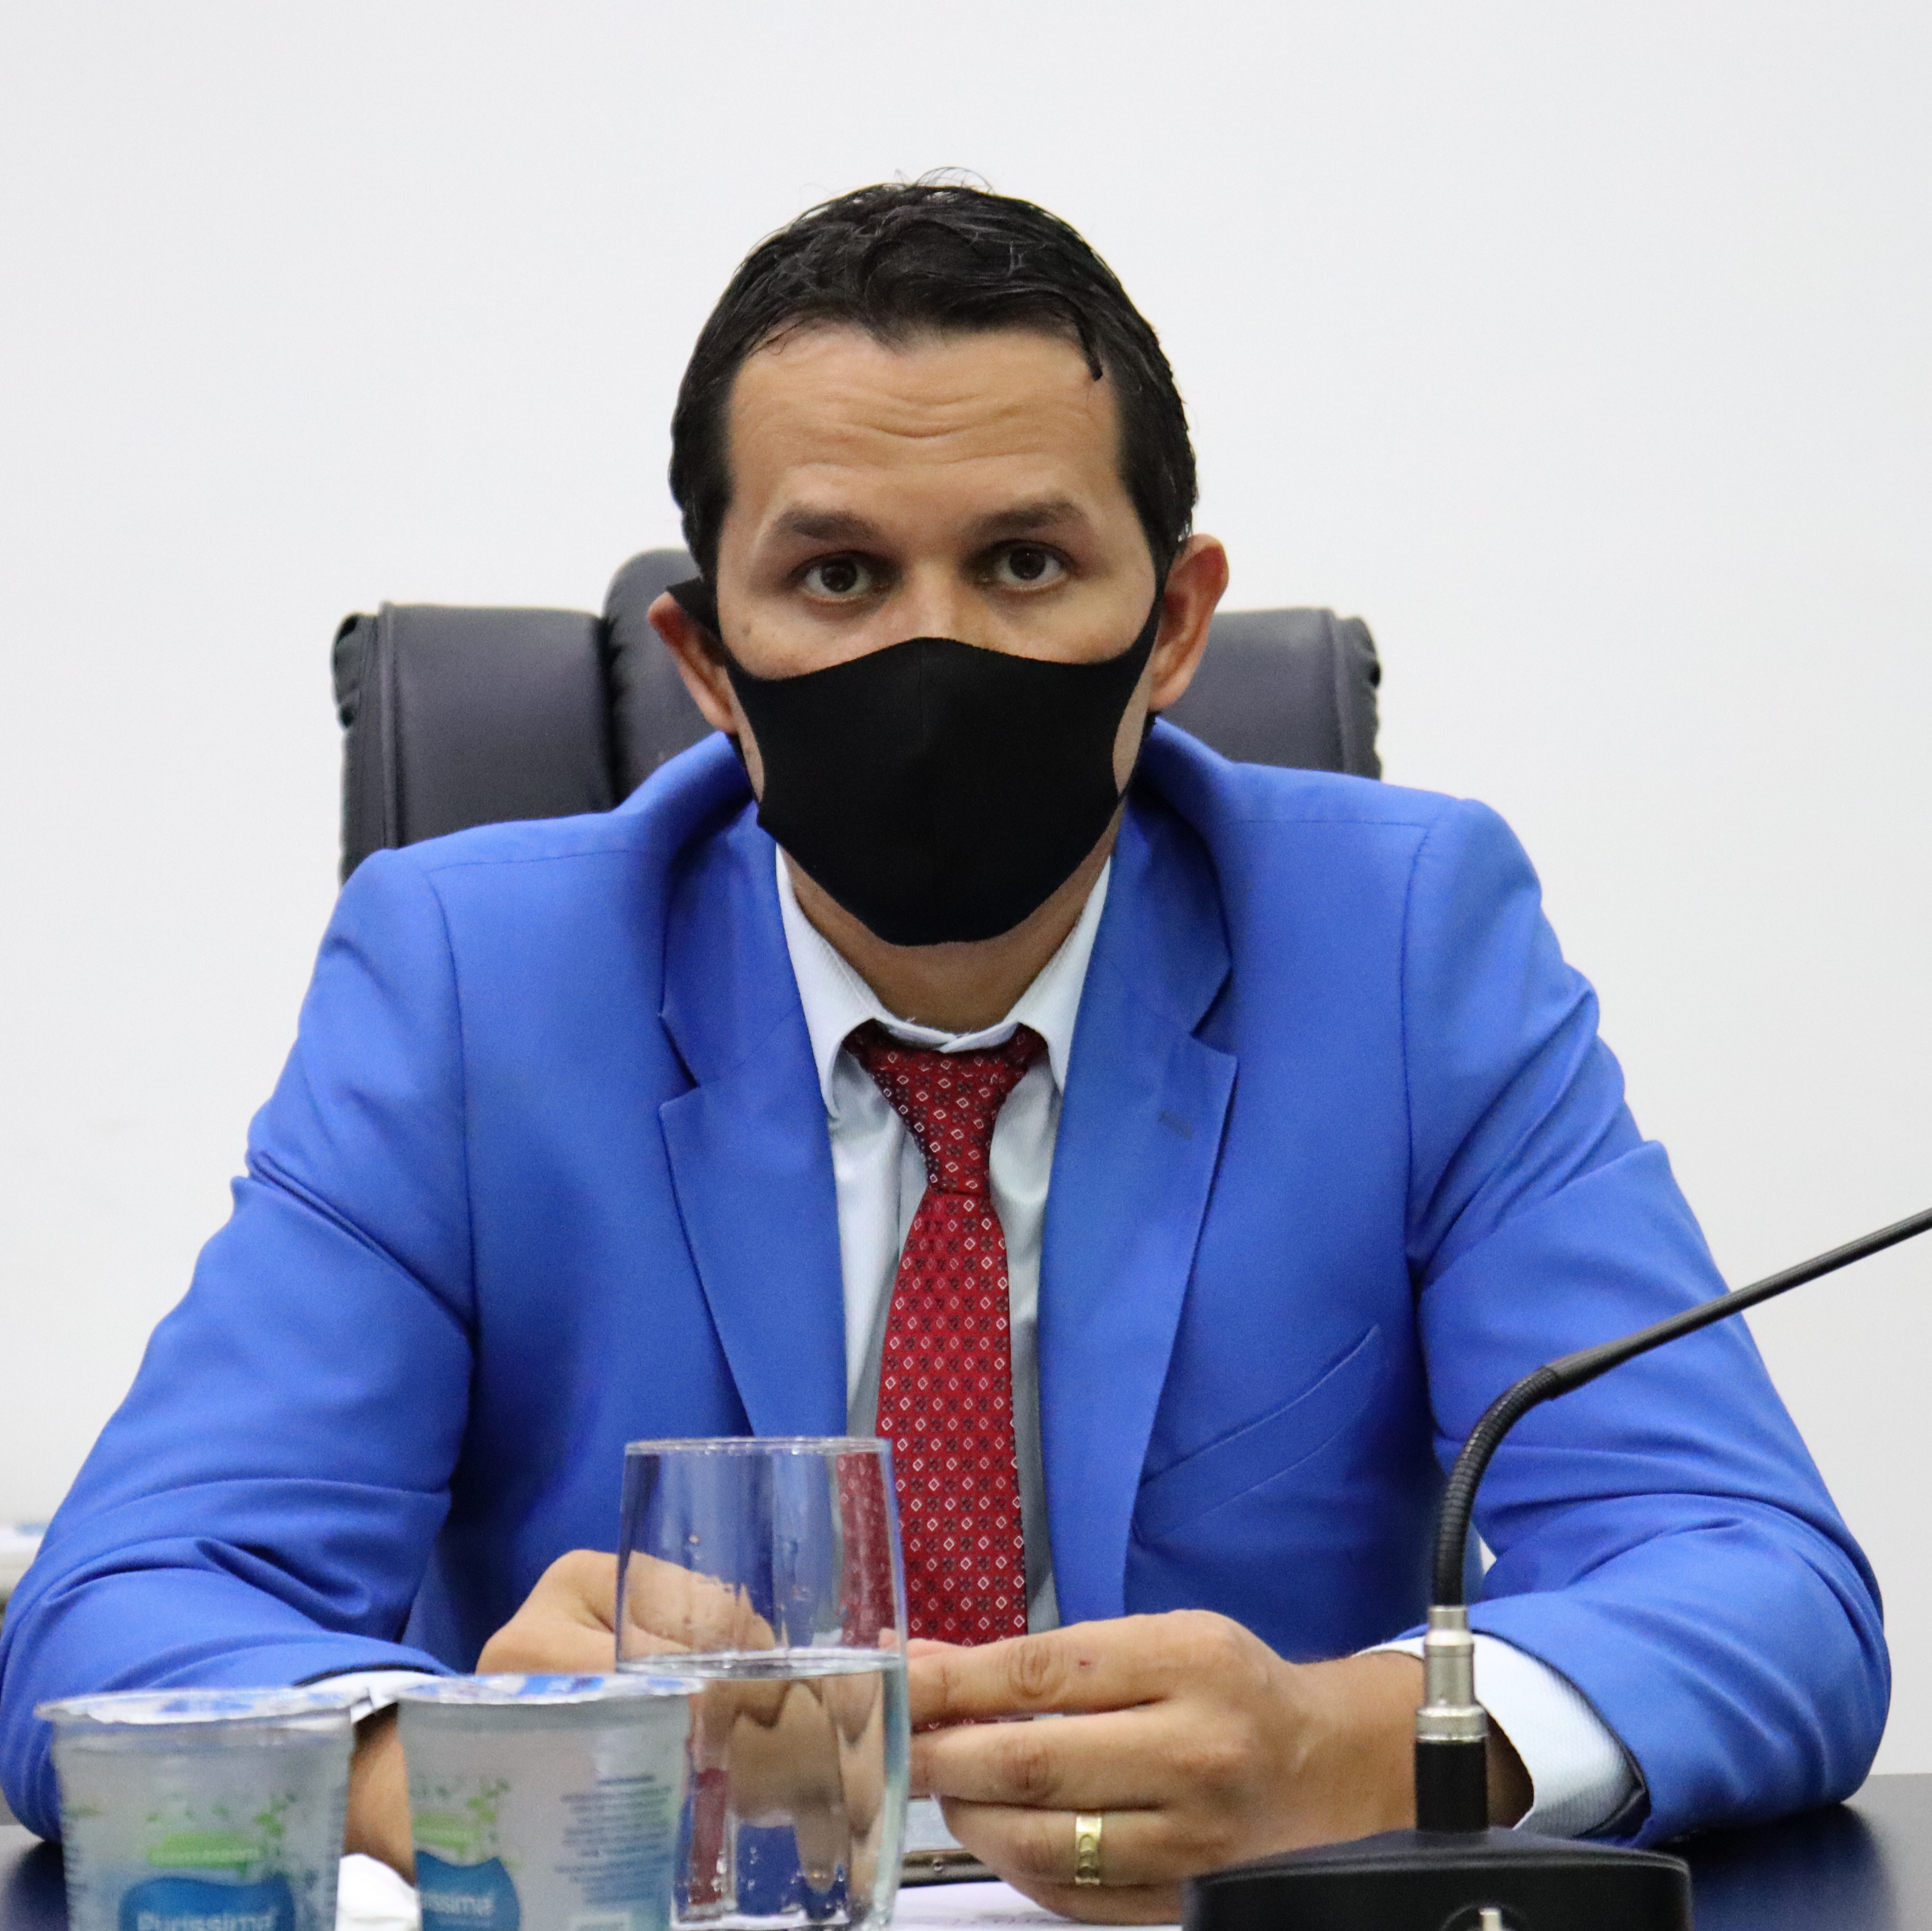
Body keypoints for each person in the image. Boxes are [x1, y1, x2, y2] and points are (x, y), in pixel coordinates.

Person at [0, 182, 1885, 1920]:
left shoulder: (1402, 947)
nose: (936, 654)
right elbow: (117, 1614)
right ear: (708, 664)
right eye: (837, 577)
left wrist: (1351, 1752)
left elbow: (1758, 1582)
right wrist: (467, 1772)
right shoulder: (474, 980)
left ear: (1175, 627)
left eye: (1025, 563)